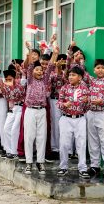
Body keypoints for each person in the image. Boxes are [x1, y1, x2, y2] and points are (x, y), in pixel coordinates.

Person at [23, 45, 58, 175]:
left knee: (41, 137)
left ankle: (40, 162)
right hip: (30, 110)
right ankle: (28, 163)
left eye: (40, 70)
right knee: (29, 136)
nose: (39, 71)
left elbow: (49, 67)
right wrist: (30, 50)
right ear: (32, 72)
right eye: (37, 70)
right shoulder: (30, 79)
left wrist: (54, 54)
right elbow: (31, 65)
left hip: (42, 110)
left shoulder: (44, 80)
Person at [56, 66, 90, 179]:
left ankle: (83, 168)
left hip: (80, 118)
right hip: (66, 118)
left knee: (81, 144)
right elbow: (58, 103)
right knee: (64, 144)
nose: (70, 77)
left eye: (73, 75)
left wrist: (86, 101)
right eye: (70, 75)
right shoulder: (64, 88)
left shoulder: (85, 90)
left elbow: (88, 107)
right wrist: (64, 105)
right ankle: (63, 167)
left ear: (80, 77)